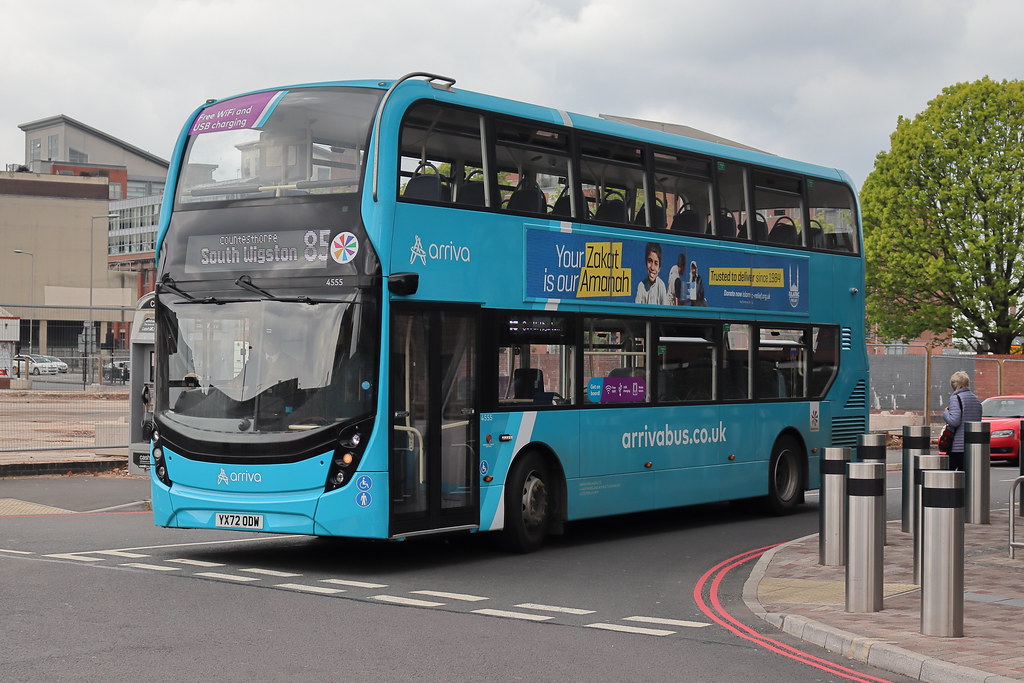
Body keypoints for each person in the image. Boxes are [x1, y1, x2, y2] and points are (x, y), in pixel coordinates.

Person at [942, 370, 982, 470]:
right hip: (971, 446)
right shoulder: (976, 399)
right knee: (966, 478)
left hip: (957, 446)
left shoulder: (956, 398)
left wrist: (946, 413)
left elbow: (955, 421)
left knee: (948, 477)